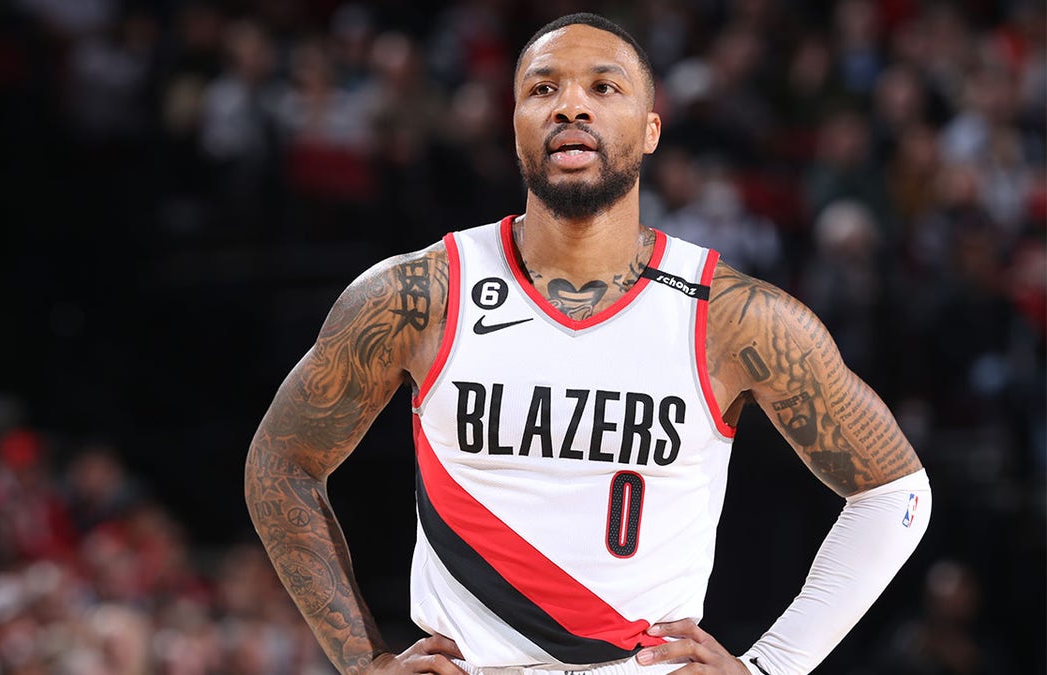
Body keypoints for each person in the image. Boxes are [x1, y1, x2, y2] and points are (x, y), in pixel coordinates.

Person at [244, 13, 931, 675]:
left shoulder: (732, 315)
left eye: (604, 87)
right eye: (543, 88)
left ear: (651, 128)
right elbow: (281, 461)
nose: (571, 105)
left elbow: (895, 492)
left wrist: (772, 665)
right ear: (514, 129)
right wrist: (361, 660)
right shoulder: (420, 295)